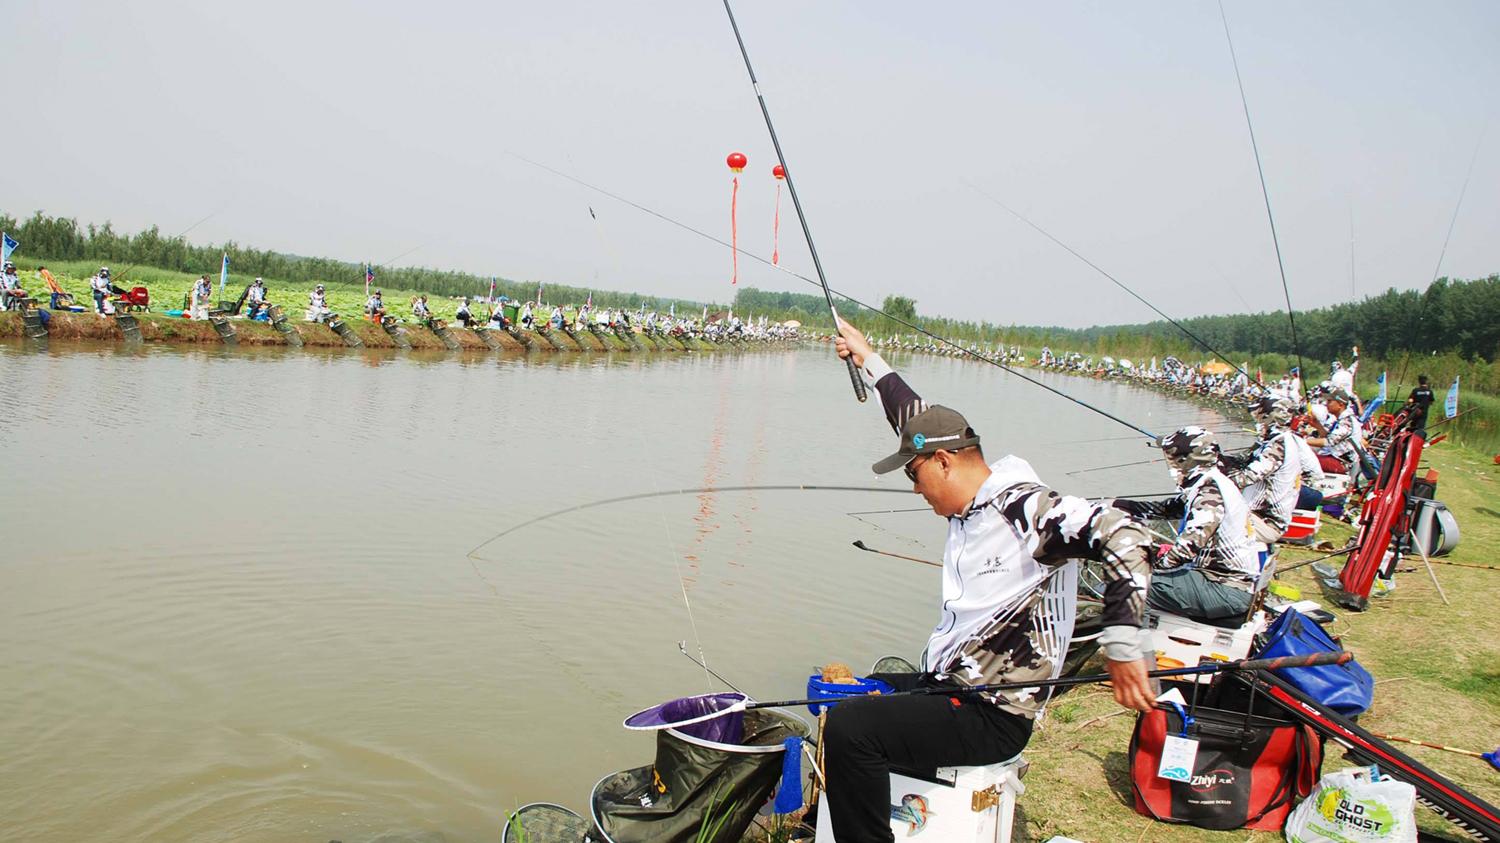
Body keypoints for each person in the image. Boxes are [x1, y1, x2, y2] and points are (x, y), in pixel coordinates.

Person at [829, 320, 1155, 842]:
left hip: (994, 712)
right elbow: (911, 413)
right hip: (952, 687)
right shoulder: (966, 493)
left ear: (943, 461)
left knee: (853, 729)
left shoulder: (1021, 507)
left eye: (914, 474)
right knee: (861, 690)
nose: (915, 490)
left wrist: (1122, 641)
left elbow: (1122, 532)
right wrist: (868, 358)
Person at [1112, 428, 1261, 627]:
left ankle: (1138, 643)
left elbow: (1187, 549)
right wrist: (1116, 505)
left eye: (1173, 458)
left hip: (1225, 589)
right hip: (1224, 582)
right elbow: (1166, 509)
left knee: (1132, 584)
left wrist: (1149, 564)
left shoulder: (1210, 493)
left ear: (1187, 460)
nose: (1170, 463)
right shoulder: (1213, 482)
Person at [1228, 397, 1320, 541]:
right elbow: (1243, 461)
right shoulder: (1278, 440)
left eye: (1259, 417)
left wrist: (1212, 478)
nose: (1256, 422)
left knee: (1212, 511)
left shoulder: (1279, 445)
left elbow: (1246, 478)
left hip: (1266, 521)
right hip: (1257, 516)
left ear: (1270, 419)